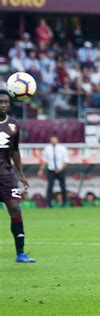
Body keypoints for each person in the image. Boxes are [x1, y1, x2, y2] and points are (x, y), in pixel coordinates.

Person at [0, 90, 35, 263]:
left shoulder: (13, 124)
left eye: (6, 102)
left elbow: (14, 151)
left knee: (15, 209)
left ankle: (20, 253)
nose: (4, 105)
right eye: (1, 102)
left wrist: (20, 174)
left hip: (6, 175)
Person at [37, 134, 69, 207]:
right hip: (51, 170)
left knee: (63, 187)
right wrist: (41, 170)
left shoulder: (62, 148)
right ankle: (49, 203)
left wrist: (60, 169)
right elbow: (45, 161)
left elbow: (66, 161)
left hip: (61, 170)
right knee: (50, 187)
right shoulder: (47, 149)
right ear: (50, 141)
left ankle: (64, 203)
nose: (53, 142)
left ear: (57, 141)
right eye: (52, 141)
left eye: (54, 141)